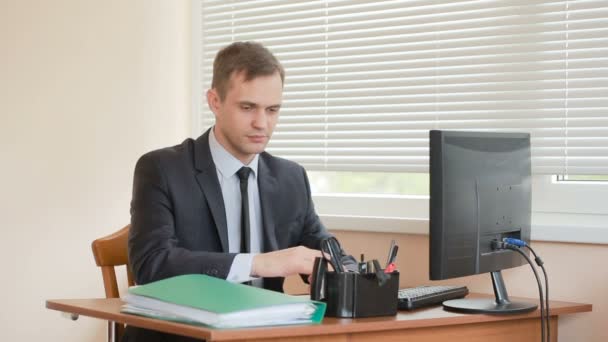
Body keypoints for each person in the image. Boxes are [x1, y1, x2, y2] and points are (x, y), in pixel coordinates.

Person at [123, 41, 355, 342]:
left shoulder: (290, 178)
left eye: (273, 110)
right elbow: (151, 266)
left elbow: (327, 249)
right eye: (248, 107)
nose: (262, 123)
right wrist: (261, 263)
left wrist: (346, 271)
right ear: (215, 101)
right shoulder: (162, 169)